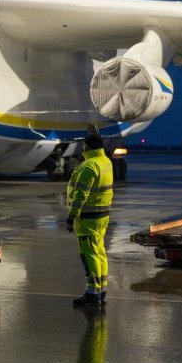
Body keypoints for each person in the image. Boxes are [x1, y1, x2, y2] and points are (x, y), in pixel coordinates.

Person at [65, 128, 113, 308]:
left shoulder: (89, 166)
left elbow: (81, 196)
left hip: (87, 218)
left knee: (89, 254)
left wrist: (71, 217)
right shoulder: (105, 162)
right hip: (102, 216)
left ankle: (92, 294)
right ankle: (101, 291)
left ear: (87, 146)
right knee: (100, 252)